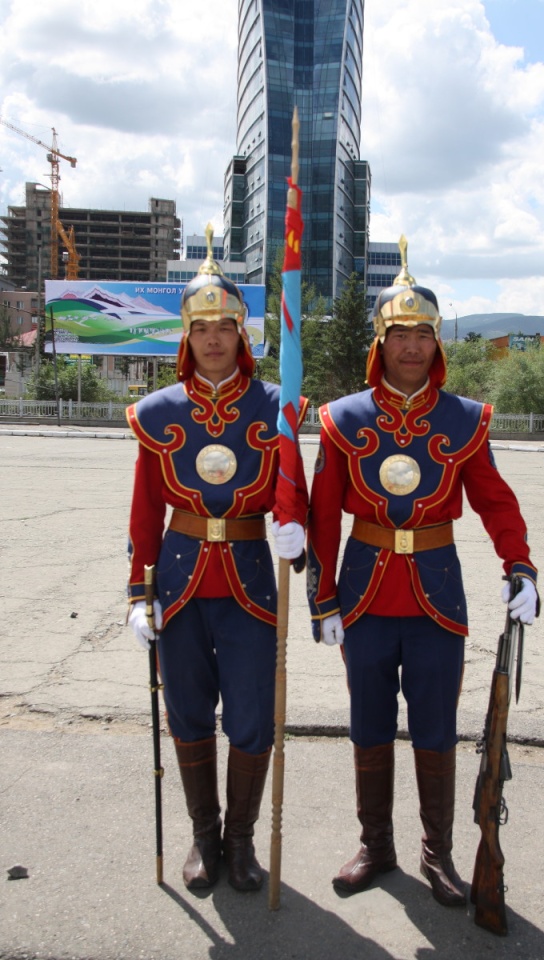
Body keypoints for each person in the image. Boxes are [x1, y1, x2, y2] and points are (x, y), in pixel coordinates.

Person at [306, 237, 539, 908]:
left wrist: (518, 561)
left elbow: (494, 500)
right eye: (399, 333)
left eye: (423, 335)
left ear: (438, 344)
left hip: (437, 595)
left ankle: (437, 856)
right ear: (380, 341)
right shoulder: (343, 418)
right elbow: (324, 518)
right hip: (365, 594)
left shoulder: (464, 419)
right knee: (369, 724)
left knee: (436, 729)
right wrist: (323, 600)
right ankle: (376, 846)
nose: (411, 346)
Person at [126, 230, 308, 893]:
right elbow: (146, 509)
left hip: (252, 578)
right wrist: (136, 591)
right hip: (177, 578)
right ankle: (204, 840)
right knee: (189, 713)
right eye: (200, 327)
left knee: (254, 716)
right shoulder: (158, 412)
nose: (212, 339)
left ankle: (241, 842)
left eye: (223, 326)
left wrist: (296, 529)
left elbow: (294, 492)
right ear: (186, 335)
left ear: (242, 333)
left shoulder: (273, 407)